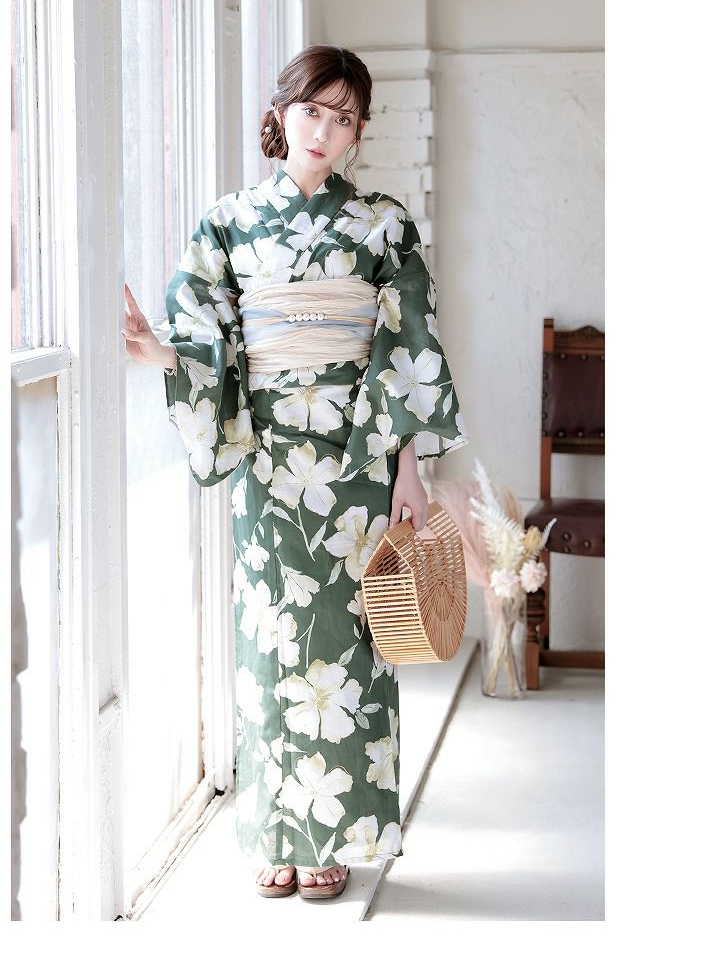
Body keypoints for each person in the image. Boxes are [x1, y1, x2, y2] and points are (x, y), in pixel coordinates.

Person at [122, 44, 469, 900]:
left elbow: (405, 350)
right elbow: (209, 338)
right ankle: (277, 832)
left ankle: (335, 838)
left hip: (356, 459)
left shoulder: (383, 225)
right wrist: (162, 354)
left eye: (343, 117)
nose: (324, 130)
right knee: (271, 637)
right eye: (312, 110)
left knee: (353, 640)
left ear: (358, 132)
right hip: (271, 460)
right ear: (281, 113)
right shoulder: (229, 222)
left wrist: (409, 468)